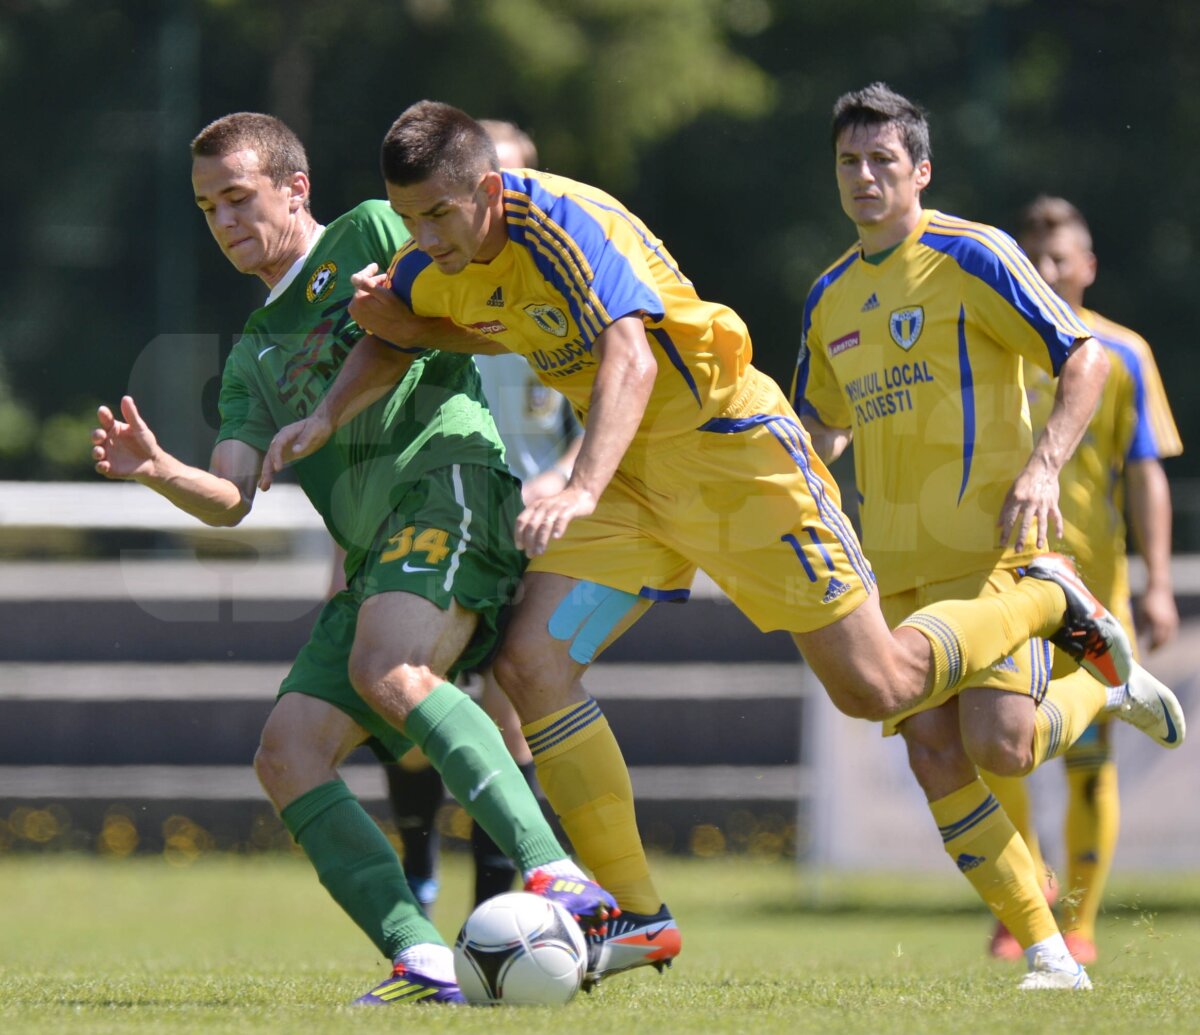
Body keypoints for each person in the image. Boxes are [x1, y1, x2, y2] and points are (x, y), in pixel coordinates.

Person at [257, 99, 1152, 990]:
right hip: (638, 487)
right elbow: (395, 322)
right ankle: (639, 917)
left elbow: (632, 360)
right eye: (408, 217)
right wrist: (327, 412)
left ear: (488, 188)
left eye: (438, 214)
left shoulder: (565, 223)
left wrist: (577, 486)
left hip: (734, 463)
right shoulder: (438, 250)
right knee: (530, 663)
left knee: (878, 685)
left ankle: (1050, 599)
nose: (422, 236)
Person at [89, 111, 614, 1007]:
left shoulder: (371, 232)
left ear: (295, 189)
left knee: (390, 668)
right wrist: (159, 469)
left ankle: (561, 877)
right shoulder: (255, 348)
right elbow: (233, 496)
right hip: (377, 553)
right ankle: (420, 952)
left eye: (238, 197)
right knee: (287, 752)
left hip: (449, 486)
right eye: (207, 206)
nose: (222, 221)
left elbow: (463, 319)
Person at [791, 83, 1185, 990]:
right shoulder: (828, 295)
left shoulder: (974, 254)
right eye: (849, 162)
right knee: (942, 753)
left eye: (882, 160)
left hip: (993, 556)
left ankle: (1095, 668)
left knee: (1003, 744)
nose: (863, 177)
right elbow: (822, 426)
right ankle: (1049, 950)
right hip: (894, 568)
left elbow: (1080, 354)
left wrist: (1044, 464)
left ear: (920, 171)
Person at [384, 118, 583, 914]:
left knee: (509, 714)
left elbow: (591, 419)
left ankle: (500, 908)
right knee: (405, 709)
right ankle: (418, 867)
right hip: (445, 511)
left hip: (526, 529)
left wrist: (558, 487)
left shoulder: (565, 282)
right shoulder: (440, 276)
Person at [983, 195, 1184, 965]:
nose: (1046, 269)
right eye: (1032, 256)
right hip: (1000, 581)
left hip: (1090, 592)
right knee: (996, 744)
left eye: (1060, 257)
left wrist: (1157, 582)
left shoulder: (1123, 353)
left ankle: (1079, 923)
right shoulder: (993, 341)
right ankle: (1022, 905)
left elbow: (1145, 475)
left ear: (1088, 267)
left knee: (1089, 762)